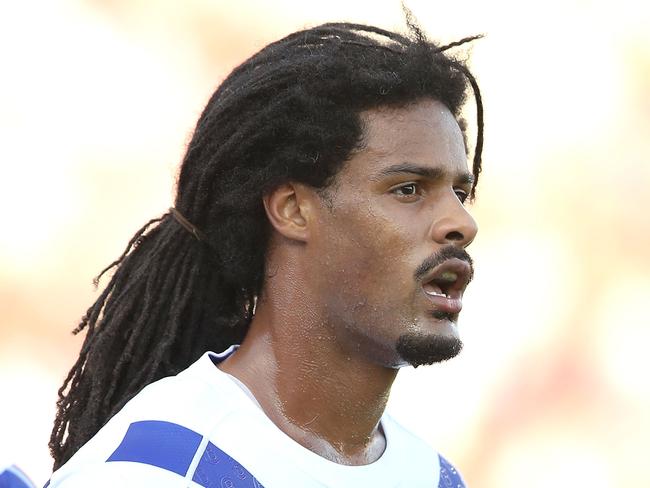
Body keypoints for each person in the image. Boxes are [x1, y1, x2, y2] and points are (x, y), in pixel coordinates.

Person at [47, 13, 483, 487]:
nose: (462, 223)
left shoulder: (434, 477)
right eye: (409, 189)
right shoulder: (155, 472)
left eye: (460, 193)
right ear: (294, 210)